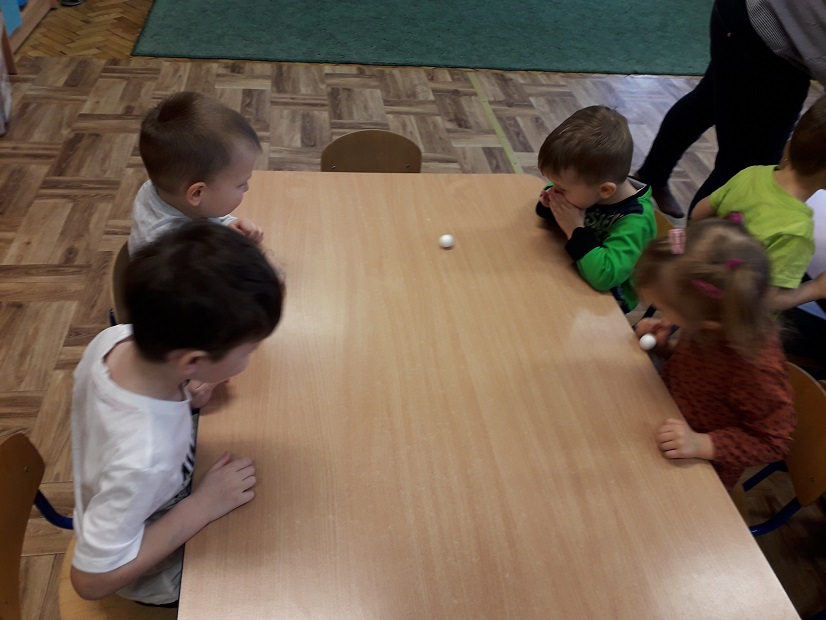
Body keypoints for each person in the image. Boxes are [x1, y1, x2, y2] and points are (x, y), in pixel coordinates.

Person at [70, 220, 284, 605]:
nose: (250, 360)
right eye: (248, 350)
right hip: (154, 571)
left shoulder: (117, 340)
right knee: (273, 568)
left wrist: (185, 393)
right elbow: (90, 582)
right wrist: (201, 506)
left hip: (133, 499)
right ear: (192, 360)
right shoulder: (144, 456)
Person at [634, 219, 795, 490]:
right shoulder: (716, 320)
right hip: (660, 415)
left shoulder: (757, 370)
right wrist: (664, 347)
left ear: (706, 323)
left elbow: (773, 442)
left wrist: (701, 444)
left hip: (693, 467)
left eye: (663, 307)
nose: (660, 313)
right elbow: (701, 375)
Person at [635, 0, 826, 218]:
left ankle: (651, 176)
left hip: (751, 16)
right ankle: (700, 239)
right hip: (765, 30)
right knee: (744, 171)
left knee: (706, 104)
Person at [692, 94, 826, 312]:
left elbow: (699, 213)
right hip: (734, 322)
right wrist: (817, 288)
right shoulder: (797, 231)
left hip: (698, 295)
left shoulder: (752, 174)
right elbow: (763, 302)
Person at [535, 105, 656, 313]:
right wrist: (549, 204)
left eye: (561, 189)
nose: (554, 190)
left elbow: (605, 277)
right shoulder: (592, 186)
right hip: (572, 270)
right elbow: (559, 200)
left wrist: (574, 229)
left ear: (605, 190)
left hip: (607, 301)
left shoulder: (635, 221)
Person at [128, 91, 265, 254]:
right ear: (197, 193)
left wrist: (227, 225)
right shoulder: (175, 251)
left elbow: (208, 209)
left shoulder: (163, 191)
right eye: (240, 184)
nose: (247, 188)